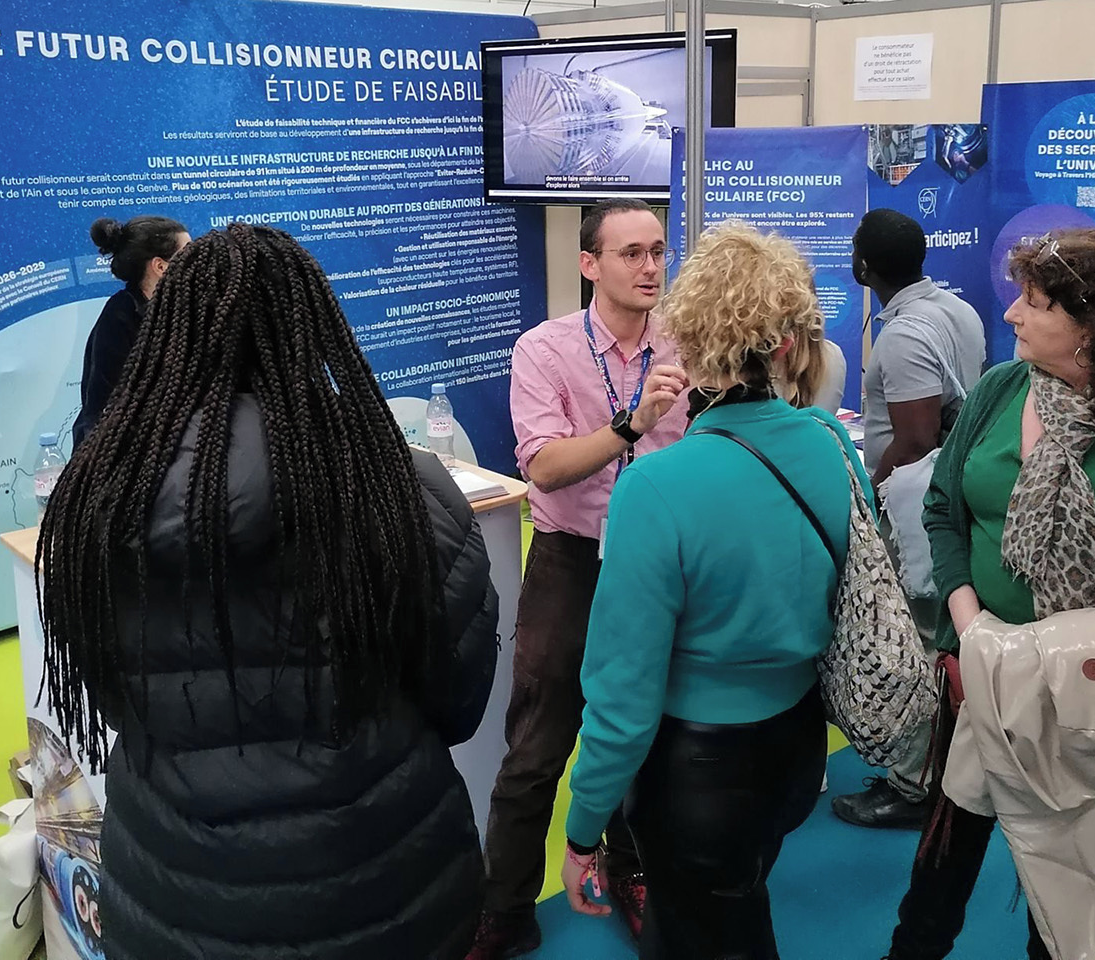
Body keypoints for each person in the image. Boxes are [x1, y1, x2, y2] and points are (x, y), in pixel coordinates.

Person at [36, 224, 499, 959]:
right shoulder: (402, 489)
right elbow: (461, 699)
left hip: (178, 897)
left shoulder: (96, 504)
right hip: (383, 885)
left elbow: (114, 698)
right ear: (314, 325)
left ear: (169, 328)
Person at [882, 228, 1095, 960]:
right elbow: (944, 506)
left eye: (1034, 303)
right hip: (976, 685)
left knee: (1077, 894)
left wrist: (1057, 662)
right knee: (939, 877)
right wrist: (974, 630)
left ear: (1094, 324)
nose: (1011, 315)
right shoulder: (1003, 391)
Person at [557, 220, 873, 959]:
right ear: (789, 344)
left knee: (704, 931)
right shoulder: (833, 446)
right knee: (738, 899)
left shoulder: (654, 488)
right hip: (798, 749)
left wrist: (581, 829)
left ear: (689, 345)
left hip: (696, 777)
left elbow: (624, 696)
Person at [469, 198, 690, 960]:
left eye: (658, 250)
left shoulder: (685, 345)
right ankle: (503, 910)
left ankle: (630, 872)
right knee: (538, 741)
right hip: (571, 559)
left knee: (647, 733)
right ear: (589, 263)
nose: (650, 267)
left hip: (659, 565)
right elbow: (545, 467)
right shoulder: (546, 349)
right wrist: (632, 423)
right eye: (631, 253)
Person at [833, 207, 987, 830]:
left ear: (863, 266)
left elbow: (917, 436)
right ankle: (939, 772)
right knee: (935, 637)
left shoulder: (903, 336)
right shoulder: (959, 310)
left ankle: (913, 785)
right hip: (946, 497)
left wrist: (864, 491)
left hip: (913, 507)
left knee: (917, 643)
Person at [72, 215, 190, 448]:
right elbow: (102, 410)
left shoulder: (187, 312)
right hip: (120, 453)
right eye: (189, 255)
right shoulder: (119, 317)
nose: (200, 263)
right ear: (160, 266)